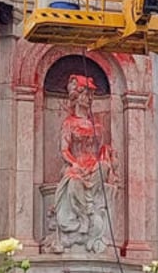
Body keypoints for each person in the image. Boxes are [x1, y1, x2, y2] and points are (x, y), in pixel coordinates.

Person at [46, 74, 115, 253]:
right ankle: (84, 217)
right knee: (74, 180)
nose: (88, 99)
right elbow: (64, 150)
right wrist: (75, 164)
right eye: (84, 94)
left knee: (103, 168)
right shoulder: (69, 123)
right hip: (74, 164)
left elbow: (100, 150)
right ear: (76, 97)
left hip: (92, 164)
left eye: (90, 95)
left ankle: (90, 211)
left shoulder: (97, 126)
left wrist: (104, 158)